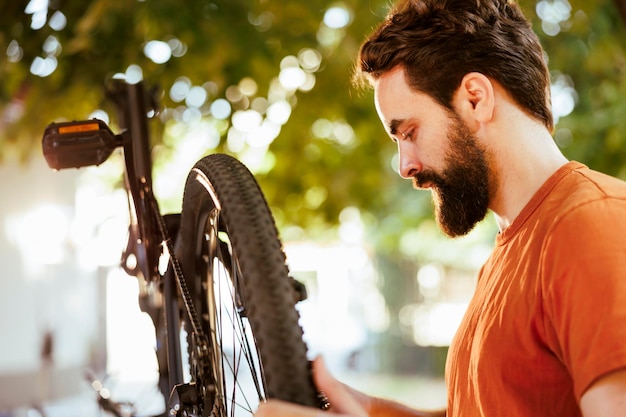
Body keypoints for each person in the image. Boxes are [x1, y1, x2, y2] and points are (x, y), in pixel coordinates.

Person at [255, 0, 626, 415]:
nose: (405, 165)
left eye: (409, 132)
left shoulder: (593, 222)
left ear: (474, 99)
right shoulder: (512, 251)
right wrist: (365, 408)